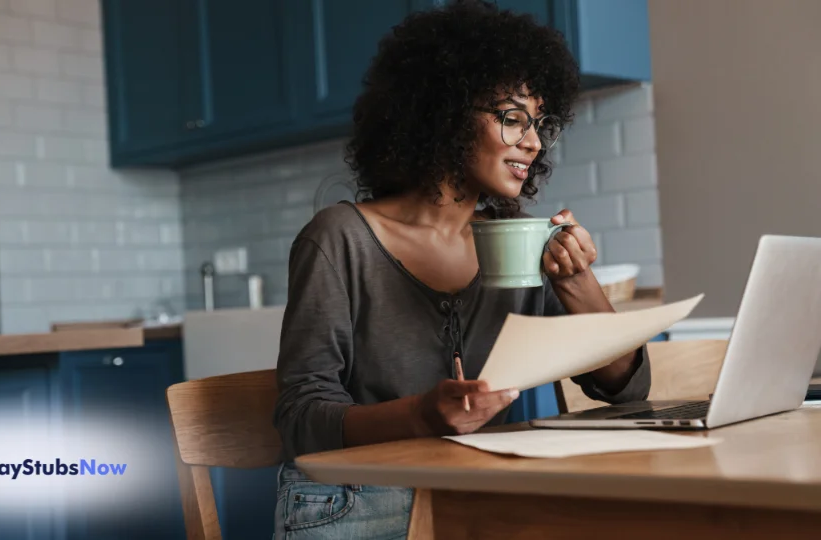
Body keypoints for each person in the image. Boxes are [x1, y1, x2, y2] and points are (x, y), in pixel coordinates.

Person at [271, 1, 651, 538]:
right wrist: (422, 417)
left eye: (540, 123)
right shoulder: (339, 238)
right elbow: (300, 419)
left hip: (483, 500)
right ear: (443, 113)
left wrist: (575, 281)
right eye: (512, 117)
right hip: (358, 504)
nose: (535, 142)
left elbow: (622, 387)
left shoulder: (516, 240)